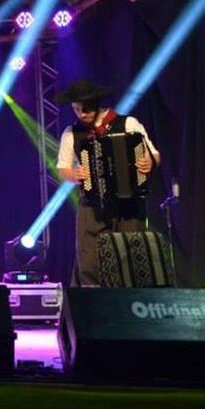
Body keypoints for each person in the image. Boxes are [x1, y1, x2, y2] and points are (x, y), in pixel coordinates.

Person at [55, 79, 159, 286]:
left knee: (130, 258)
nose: (81, 114)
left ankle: (130, 305)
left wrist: (149, 162)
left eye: (85, 109)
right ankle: (92, 307)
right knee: (89, 261)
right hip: (93, 205)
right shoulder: (71, 133)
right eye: (76, 109)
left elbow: (153, 154)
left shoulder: (128, 124)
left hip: (128, 203)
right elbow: (62, 168)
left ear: (96, 103)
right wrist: (74, 174)